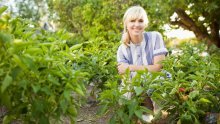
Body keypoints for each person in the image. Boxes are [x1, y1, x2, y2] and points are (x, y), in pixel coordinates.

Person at [116, 5, 168, 123]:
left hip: (156, 82)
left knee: (153, 81)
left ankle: (152, 112)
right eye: (132, 21)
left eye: (140, 21)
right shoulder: (122, 49)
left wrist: (130, 67)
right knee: (126, 97)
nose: (137, 24)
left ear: (145, 23)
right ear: (126, 24)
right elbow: (123, 74)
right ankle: (143, 113)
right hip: (135, 85)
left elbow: (158, 68)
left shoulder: (155, 37)